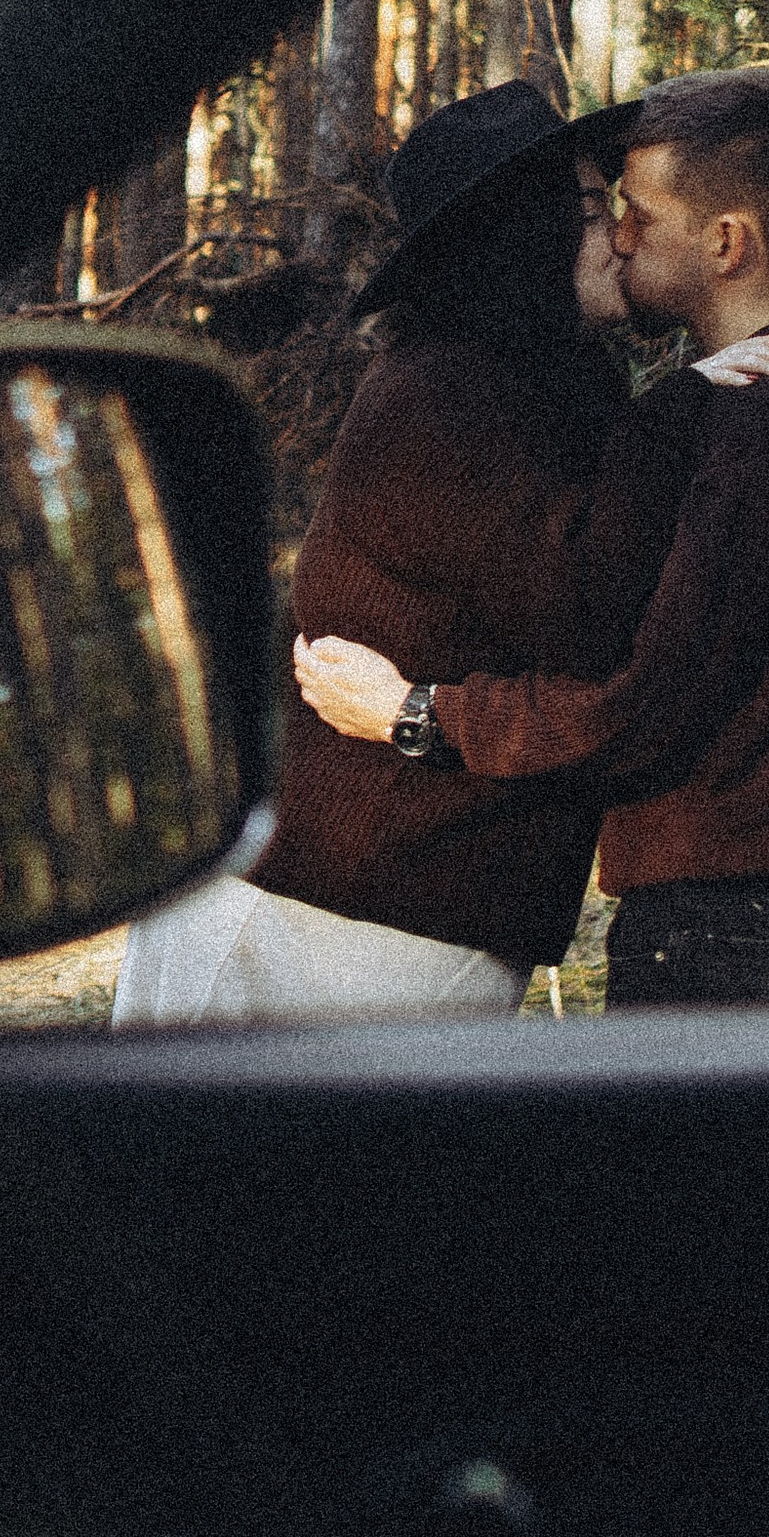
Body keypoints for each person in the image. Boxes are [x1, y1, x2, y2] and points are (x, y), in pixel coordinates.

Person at [292, 67, 769, 1009]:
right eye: (598, 213)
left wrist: (415, 713)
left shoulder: (761, 414)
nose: (621, 238)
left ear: (725, 241)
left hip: (738, 932)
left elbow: (643, 710)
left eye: (637, 213)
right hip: (764, 923)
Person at [111, 79, 679, 1022]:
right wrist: (699, 412)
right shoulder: (442, 399)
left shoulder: (550, 392)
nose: (619, 234)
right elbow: (597, 615)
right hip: (320, 911)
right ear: (521, 232)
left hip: (408, 903)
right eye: (588, 208)